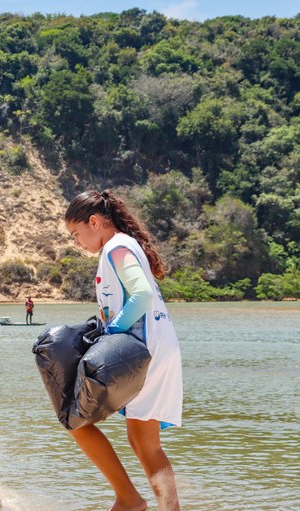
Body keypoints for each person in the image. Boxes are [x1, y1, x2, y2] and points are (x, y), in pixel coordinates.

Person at [64, 190, 183, 511]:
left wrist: (113, 329)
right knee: (143, 442)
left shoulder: (116, 246)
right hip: (155, 349)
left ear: (95, 222)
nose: (77, 242)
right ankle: (162, 507)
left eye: (77, 234)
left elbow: (141, 295)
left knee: (76, 418)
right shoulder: (123, 245)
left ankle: (130, 500)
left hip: (142, 353)